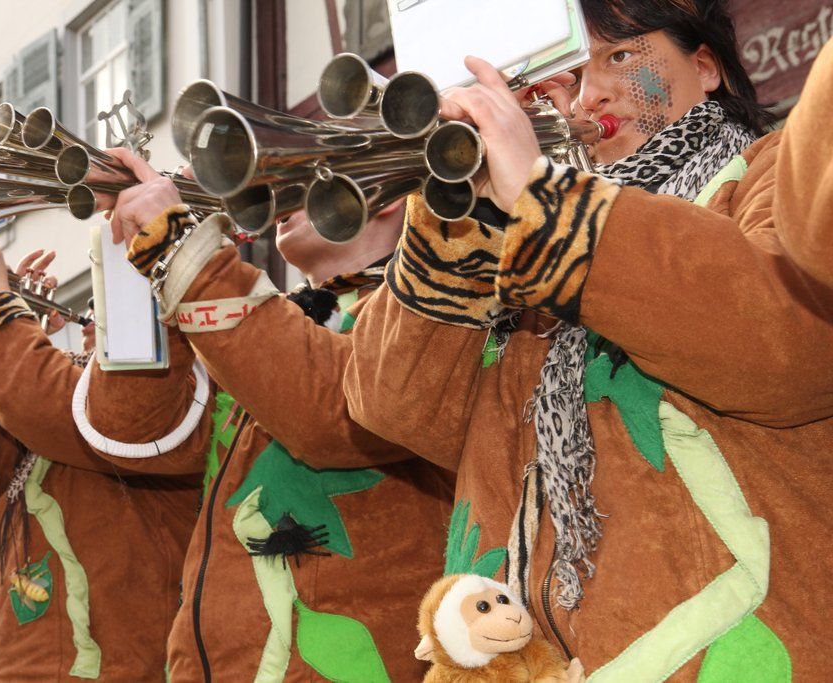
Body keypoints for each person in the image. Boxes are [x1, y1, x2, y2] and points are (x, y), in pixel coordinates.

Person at [344, 3, 833, 680]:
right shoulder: (521, 248)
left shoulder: (776, 174)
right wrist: (457, 209)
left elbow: (784, 348)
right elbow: (392, 407)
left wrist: (547, 200)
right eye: (568, 77)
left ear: (705, 66)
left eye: (620, 57)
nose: (588, 95)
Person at [96, 151, 456, 681]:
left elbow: (332, 416)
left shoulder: (434, 310)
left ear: (386, 196)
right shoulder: (263, 326)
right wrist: (142, 255)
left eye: (310, 173)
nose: (278, 190)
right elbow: (131, 435)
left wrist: (183, 252)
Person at [0, 245, 206, 681]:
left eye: (110, 294)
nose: (93, 307)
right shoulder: (61, 386)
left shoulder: (177, 386)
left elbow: (70, 419)